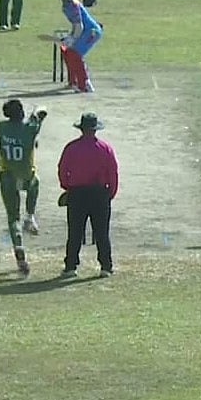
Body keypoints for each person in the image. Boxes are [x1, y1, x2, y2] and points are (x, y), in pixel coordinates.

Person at [57, 112, 119, 278]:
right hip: (100, 194)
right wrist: (110, 194)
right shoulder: (106, 148)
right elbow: (113, 173)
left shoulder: (71, 148)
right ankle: (106, 266)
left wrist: (68, 187)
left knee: (75, 231)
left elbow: (62, 170)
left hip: (77, 193)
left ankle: (71, 266)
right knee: (102, 232)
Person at [0, 99, 47, 277]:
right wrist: (36, 114)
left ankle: (19, 250)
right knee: (36, 182)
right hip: (26, 175)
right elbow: (41, 115)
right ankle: (30, 216)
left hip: (7, 175)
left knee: (12, 217)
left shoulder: (1, 127)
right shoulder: (30, 128)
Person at [57, 0, 103, 93]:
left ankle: (85, 84)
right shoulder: (65, 7)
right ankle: (74, 81)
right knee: (66, 51)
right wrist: (70, 36)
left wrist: (72, 39)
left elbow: (80, 26)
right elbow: (75, 24)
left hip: (92, 32)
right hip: (83, 32)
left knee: (75, 53)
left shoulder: (73, 5)